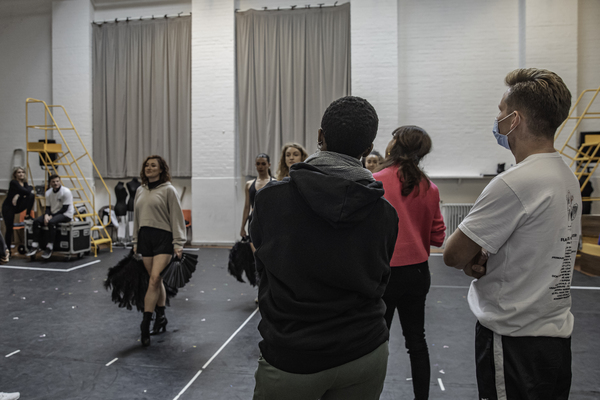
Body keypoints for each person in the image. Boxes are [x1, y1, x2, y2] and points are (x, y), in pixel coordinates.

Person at [443, 68, 581, 400]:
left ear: (515, 120)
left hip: (515, 339)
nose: (497, 119)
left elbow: (452, 254)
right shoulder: (566, 176)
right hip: (554, 335)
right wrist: (489, 255)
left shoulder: (515, 182)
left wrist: (472, 256)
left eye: (501, 113)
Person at [250, 96, 399, 400]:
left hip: (294, 356)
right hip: (364, 351)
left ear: (320, 137)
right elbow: (380, 279)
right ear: (368, 149)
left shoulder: (270, 201)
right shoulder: (385, 215)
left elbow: (262, 262)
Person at [373, 125, 446, 400]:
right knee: (417, 342)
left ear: (395, 146)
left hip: (385, 273)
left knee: (377, 343)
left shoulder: (376, 180)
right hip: (418, 273)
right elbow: (438, 237)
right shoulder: (431, 188)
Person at [132, 155, 186, 347]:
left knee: (154, 279)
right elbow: (137, 218)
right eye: (146, 165)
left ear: (161, 169)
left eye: (153, 165)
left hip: (163, 238)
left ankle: (145, 324)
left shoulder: (168, 190)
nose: (149, 168)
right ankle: (161, 316)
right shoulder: (140, 190)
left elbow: (177, 217)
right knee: (155, 280)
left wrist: (178, 242)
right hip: (145, 238)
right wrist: (135, 240)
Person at [25, 175, 73, 260]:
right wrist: (46, 215)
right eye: (53, 182)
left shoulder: (66, 192)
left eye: (57, 181)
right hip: (53, 213)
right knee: (36, 222)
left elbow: (64, 209)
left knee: (51, 222)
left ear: (60, 181)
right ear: (50, 183)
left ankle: (50, 246)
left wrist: (51, 217)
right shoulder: (48, 193)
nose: (55, 183)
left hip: (66, 214)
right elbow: (47, 207)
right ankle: (35, 245)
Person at [2, 167, 35, 253]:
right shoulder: (13, 182)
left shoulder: (25, 184)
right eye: (19, 172)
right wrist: (20, 194)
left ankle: (27, 215)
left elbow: (30, 189)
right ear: (15, 174)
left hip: (17, 206)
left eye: (22, 172)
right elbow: (25, 191)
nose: (21, 174)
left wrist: (17, 196)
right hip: (8, 207)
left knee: (31, 196)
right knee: (9, 228)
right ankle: (7, 250)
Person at [240, 153, 273, 239]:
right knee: (255, 251)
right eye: (258, 164)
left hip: (269, 221)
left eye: (263, 164)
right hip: (254, 221)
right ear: (255, 165)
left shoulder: (274, 183)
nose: (260, 167)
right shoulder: (249, 184)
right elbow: (247, 207)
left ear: (269, 165)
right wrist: (242, 227)